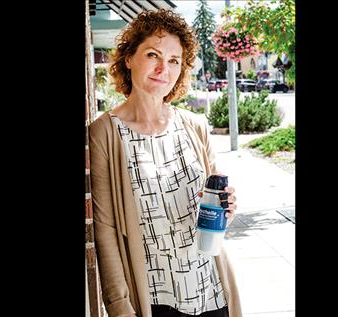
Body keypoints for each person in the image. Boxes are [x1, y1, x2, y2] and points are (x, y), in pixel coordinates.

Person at [89, 9, 241, 317]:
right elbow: (105, 230)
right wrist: (119, 306)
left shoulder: (194, 125)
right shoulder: (104, 132)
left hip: (210, 288)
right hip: (154, 298)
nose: (164, 68)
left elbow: (213, 209)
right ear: (128, 58)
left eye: (174, 60)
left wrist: (227, 208)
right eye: (153, 54)